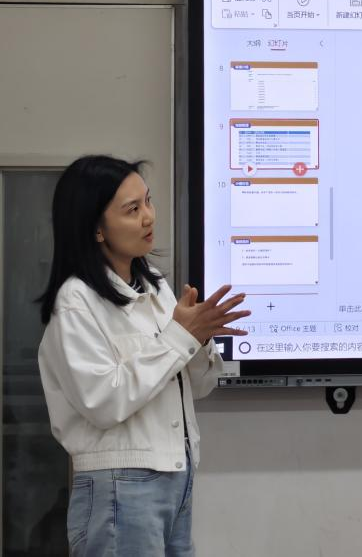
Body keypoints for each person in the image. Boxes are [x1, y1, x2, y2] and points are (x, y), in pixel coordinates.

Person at [37, 155, 250, 556]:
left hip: (176, 474)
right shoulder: (76, 301)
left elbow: (198, 387)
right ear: (96, 229)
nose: (149, 217)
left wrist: (199, 339)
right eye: (132, 210)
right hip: (119, 482)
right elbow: (103, 401)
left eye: (148, 201)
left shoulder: (155, 287)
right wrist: (178, 337)